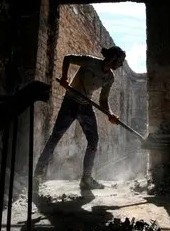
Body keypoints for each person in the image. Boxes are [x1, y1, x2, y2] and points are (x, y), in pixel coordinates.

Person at [34, 46, 126, 191]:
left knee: (93, 141)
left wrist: (110, 114)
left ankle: (86, 179)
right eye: (120, 61)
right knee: (55, 137)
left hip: (85, 106)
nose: (121, 65)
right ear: (113, 57)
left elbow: (103, 101)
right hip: (70, 102)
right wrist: (64, 77)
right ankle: (37, 176)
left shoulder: (110, 78)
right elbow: (68, 58)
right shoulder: (91, 62)